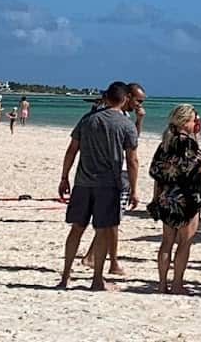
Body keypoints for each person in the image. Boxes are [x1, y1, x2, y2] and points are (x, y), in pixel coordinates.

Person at [56, 81, 139, 291]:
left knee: (76, 229)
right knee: (102, 231)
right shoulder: (125, 124)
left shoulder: (88, 119)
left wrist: (64, 177)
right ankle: (97, 280)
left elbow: (71, 150)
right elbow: (132, 160)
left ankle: (66, 276)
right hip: (108, 185)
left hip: (83, 182)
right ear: (126, 98)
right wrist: (135, 189)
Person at [148, 104, 201, 294]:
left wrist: (155, 197)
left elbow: (157, 172)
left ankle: (162, 284)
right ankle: (177, 284)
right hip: (186, 198)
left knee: (166, 242)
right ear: (185, 122)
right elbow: (200, 168)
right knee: (184, 243)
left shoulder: (166, 143)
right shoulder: (188, 143)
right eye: (194, 120)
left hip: (167, 196)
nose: (197, 123)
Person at [82, 81, 147, 276]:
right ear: (128, 97)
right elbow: (131, 155)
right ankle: (113, 262)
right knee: (112, 220)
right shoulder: (111, 115)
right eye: (138, 100)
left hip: (116, 173)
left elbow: (133, 139)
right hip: (113, 174)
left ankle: (92, 255)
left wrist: (139, 120)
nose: (140, 104)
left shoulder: (125, 116)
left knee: (109, 220)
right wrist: (135, 188)